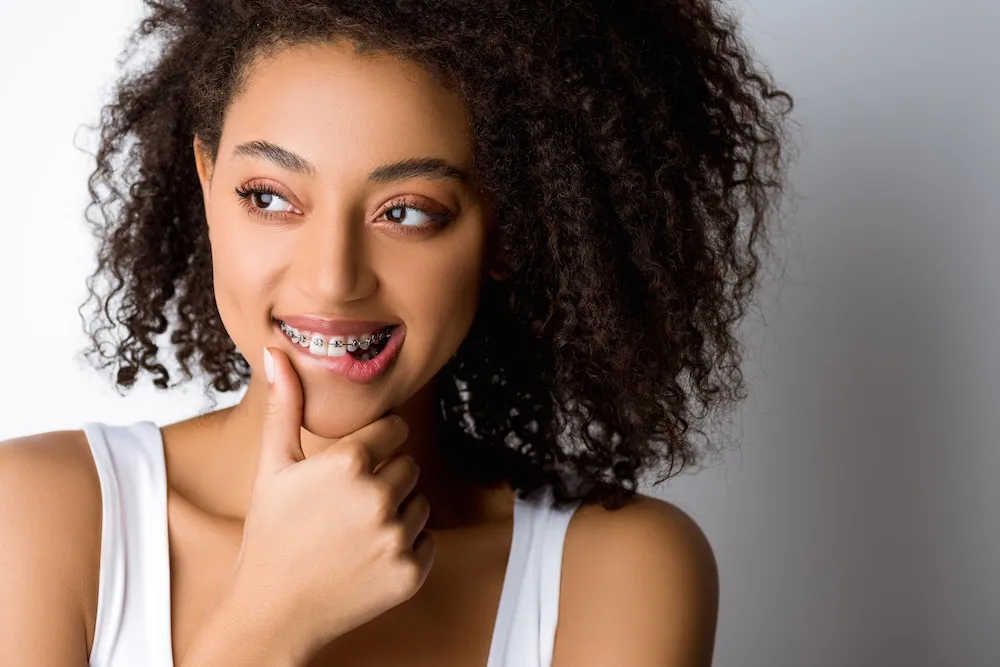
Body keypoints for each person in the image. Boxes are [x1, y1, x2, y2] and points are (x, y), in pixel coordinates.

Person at [0, 0, 794, 665]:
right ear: (207, 182)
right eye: (270, 196)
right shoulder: (43, 517)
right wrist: (267, 623)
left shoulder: (617, 571)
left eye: (407, 211)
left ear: (508, 231)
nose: (333, 277)